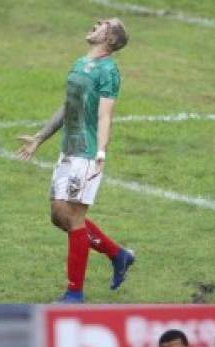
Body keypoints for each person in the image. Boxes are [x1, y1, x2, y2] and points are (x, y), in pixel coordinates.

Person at [16, 18, 134, 303]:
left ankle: (74, 292)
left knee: (74, 218)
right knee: (59, 216)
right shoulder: (79, 63)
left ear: (112, 41)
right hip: (68, 149)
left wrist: (101, 152)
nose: (98, 23)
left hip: (87, 152)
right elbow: (68, 105)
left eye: (106, 24)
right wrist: (40, 137)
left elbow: (105, 115)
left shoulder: (110, 71)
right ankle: (119, 255)